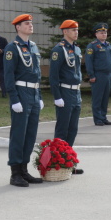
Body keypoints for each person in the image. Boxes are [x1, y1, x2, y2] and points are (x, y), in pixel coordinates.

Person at [4, 14, 44, 187]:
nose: (30, 26)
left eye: (31, 23)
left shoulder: (33, 46)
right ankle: (15, 173)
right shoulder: (12, 48)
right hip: (21, 92)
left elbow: (37, 73)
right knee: (19, 134)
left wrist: (40, 96)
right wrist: (14, 98)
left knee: (30, 134)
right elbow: (8, 75)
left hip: (33, 92)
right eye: (26, 24)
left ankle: (24, 169)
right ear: (18, 27)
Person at [49, 20, 84, 175]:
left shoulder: (76, 49)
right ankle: (56, 162)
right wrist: (57, 96)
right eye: (72, 30)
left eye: (76, 30)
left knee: (73, 129)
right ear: (65, 32)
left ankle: (68, 161)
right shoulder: (59, 50)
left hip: (76, 92)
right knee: (62, 129)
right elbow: (53, 75)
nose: (76, 32)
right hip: (65, 92)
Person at [84, 23, 111, 126]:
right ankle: (97, 119)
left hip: (108, 75)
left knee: (105, 98)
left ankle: (103, 117)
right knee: (98, 98)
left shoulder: (109, 45)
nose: (104, 34)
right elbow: (89, 62)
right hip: (98, 75)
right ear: (96, 34)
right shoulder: (92, 46)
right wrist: (91, 75)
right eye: (101, 32)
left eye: (105, 32)